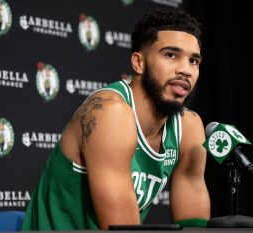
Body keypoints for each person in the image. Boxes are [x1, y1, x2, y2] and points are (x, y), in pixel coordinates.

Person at [22, 8, 210, 230]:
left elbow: (195, 225)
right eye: (171, 55)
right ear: (138, 63)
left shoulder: (189, 127)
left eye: (193, 61)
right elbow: (122, 229)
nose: (185, 70)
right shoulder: (110, 113)